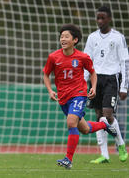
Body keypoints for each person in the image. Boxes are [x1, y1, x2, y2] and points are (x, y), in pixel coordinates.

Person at [43, 24, 117, 169]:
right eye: (61, 36)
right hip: (63, 98)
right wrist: (50, 90)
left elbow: (93, 72)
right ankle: (104, 125)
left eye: (66, 37)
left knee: (71, 123)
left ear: (75, 40)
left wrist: (93, 87)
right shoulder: (53, 57)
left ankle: (68, 160)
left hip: (78, 94)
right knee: (84, 129)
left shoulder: (83, 57)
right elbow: (46, 74)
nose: (63, 39)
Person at [84, 6, 128, 164]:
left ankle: (121, 144)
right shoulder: (92, 37)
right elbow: (86, 61)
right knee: (98, 116)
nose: (100, 21)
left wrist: (124, 86)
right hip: (95, 80)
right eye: (98, 18)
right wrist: (84, 81)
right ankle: (104, 155)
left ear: (109, 19)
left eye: (103, 18)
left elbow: (124, 62)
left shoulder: (118, 37)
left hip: (111, 79)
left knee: (108, 115)